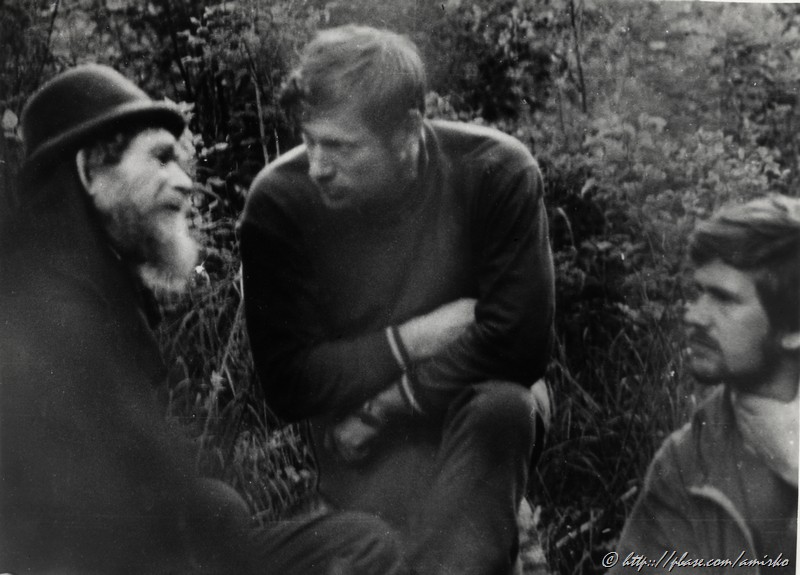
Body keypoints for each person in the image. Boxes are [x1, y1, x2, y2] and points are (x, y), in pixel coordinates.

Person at [0, 64, 402, 575]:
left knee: (353, 541)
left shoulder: (88, 287)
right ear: (90, 171)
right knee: (360, 549)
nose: (184, 181)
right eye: (161, 158)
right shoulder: (49, 317)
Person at [239, 25, 555, 575]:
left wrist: (389, 403)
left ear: (408, 130)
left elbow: (520, 345)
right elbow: (289, 383)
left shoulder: (496, 171)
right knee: (422, 534)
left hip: (459, 410)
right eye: (309, 140)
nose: (317, 166)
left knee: (504, 407)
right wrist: (415, 339)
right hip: (358, 437)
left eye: (340, 146)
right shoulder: (278, 203)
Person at [613, 195, 799, 575]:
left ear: (794, 329)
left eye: (724, 298)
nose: (694, 315)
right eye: (700, 292)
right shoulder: (686, 464)